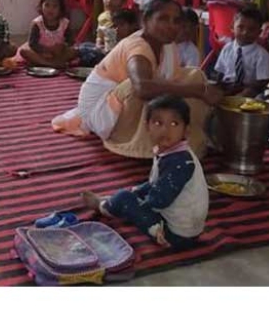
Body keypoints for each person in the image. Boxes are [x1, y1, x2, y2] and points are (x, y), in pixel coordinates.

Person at [53, 0, 224, 158]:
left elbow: (173, 81)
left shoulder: (168, 45)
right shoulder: (138, 47)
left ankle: (190, 137)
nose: (171, 25)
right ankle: (139, 146)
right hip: (100, 110)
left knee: (195, 75)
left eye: (176, 21)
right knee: (137, 88)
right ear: (145, 21)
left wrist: (200, 87)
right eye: (163, 19)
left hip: (120, 104)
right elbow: (142, 88)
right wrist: (197, 91)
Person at [80, 95, 208, 249]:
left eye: (174, 123)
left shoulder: (180, 162)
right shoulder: (172, 153)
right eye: (158, 123)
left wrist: (134, 202)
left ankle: (104, 206)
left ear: (186, 131)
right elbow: (157, 184)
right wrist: (138, 192)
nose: (165, 130)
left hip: (175, 236)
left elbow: (158, 200)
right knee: (134, 193)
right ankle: (116, 203)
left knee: (124, 197)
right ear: (147, 126)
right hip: (186, 231)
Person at [209, 5, 269, 97]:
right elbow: (219, 72)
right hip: (227, 86)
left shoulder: (263, 56)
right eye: (240, 27)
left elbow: (262, 82)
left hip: (248, 88)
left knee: (250, 93)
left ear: (259, 32)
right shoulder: (227, 48)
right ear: (232, 27)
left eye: (251, 29)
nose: (245, 32)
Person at [17, 0, 78, 69]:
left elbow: (71, 41)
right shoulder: (37, 24)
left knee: (75, 51)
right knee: (24, 52)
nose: (50, 9)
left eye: (55, 6)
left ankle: (53, 62)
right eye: (47, 5)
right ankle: (50, 64)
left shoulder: (64, 23)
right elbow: (32, 44)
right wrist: (44, 50)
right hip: (42, 53)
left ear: (60, 9)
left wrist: (62, 46)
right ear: (41, 6)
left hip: (58, 53)